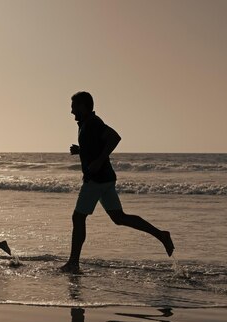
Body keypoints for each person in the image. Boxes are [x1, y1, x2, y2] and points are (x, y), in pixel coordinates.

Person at [62, 91, 174, 272]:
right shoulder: (85, 123)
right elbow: (95, 145)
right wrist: (81, 150)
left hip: (96, 180)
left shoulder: (93, 122)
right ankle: (161, 235)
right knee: (119, 218)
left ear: (83, 106)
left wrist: (98, 161)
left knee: (78, 217)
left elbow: (115, 137)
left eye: (74, 106)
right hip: (106, 179)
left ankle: (73, 263)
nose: (71, 111)